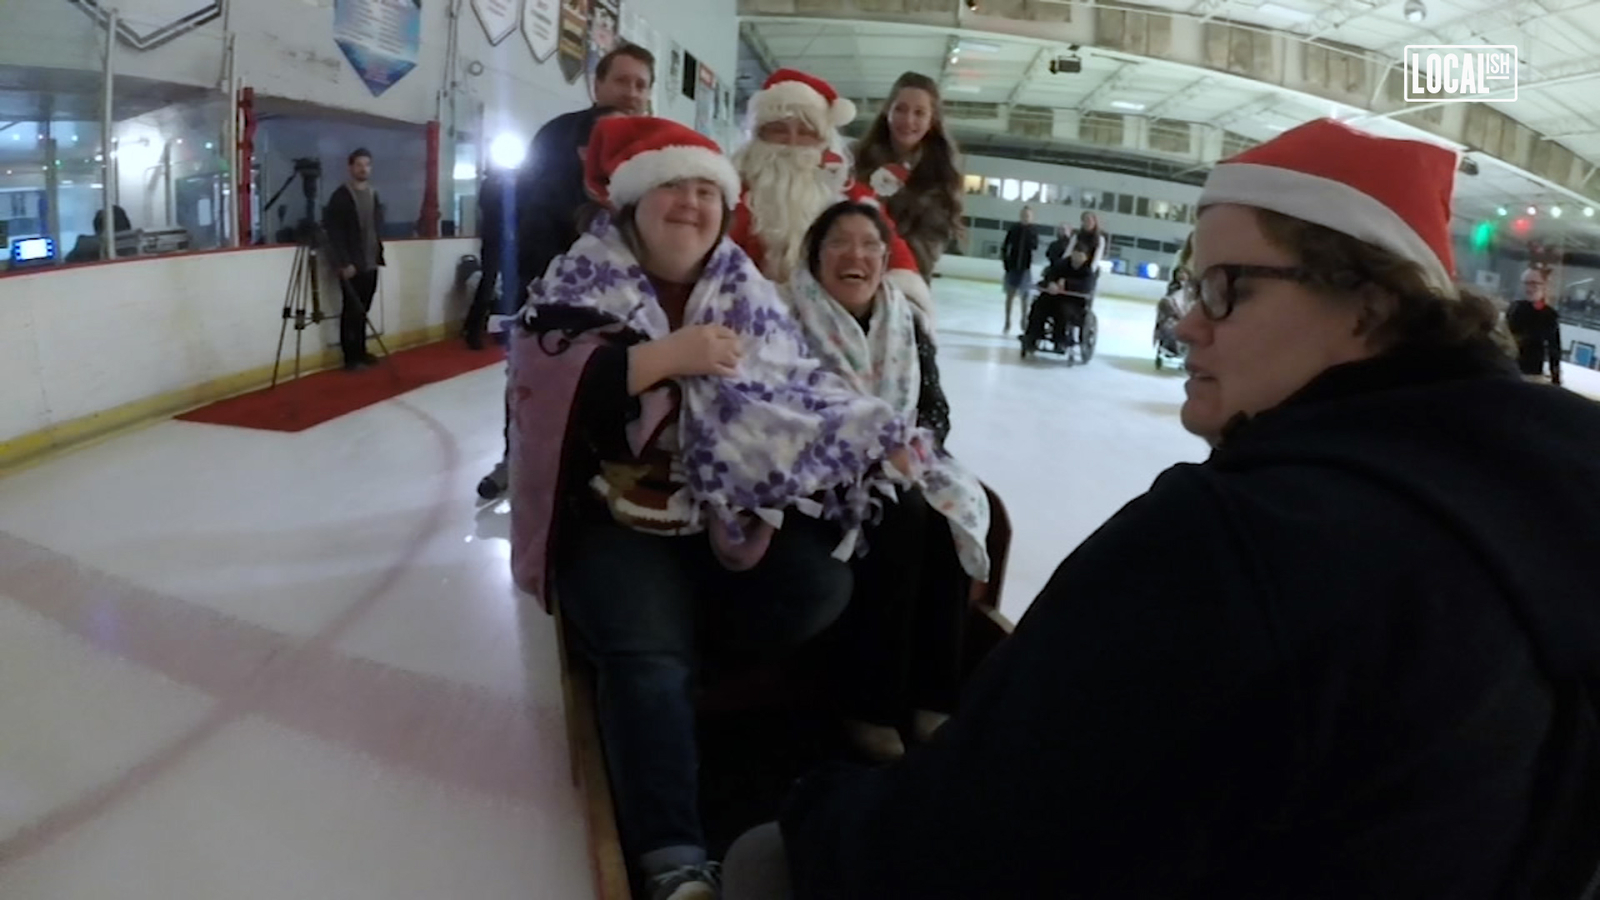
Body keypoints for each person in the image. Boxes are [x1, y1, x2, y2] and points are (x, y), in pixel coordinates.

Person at [722, 118, 1600, 900]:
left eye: (1227, 287)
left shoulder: (1238, 540)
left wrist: (816, 815)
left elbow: (966, 839)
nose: (1185, 324)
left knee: (763, 863)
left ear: (1369, 306)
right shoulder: (1551, 494)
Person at [506, 117, 922, 900]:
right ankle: (671, 855)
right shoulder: (577, 281)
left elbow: (799, 390)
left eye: (707, 191)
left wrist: (877, 433)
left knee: (821, 585)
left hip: (721, 514)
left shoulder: (748, 292)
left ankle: (670, 666)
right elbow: (544, 389)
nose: (691, 205)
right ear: (632, 202)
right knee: (646, 653)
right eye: (673, 187)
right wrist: (666, 358)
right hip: (619, 519)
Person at [785, 200, 991, 762]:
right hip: (813, 472)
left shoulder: (907, 320)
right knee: (902, 515)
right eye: (840, 244)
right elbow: (781, 406)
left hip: (903, 458)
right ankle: (869, 706)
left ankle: (932, 696)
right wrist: (865, 452)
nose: (857, 255)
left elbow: (934, 409)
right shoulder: (786, 316)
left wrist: (912, 447)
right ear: (816, 255)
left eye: (870, 245)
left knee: (952, 509)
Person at [474, 42, 653, 499]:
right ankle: (516, 459)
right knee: (529, 381)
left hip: (629, 299)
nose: (631, 92)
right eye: (622, 80)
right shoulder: (557, 136)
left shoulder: (656, 145)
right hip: (551, 286)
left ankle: (605, 469)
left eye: (641, 84)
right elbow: (531, 211)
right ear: (597, 84)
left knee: (614, 386)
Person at [729, 68, 932, 324]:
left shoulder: (853, 198)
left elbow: (897, 260)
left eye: (805, 131)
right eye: (778, 129)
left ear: (824, 141)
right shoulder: (729, 195)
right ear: (758, 135)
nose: (792, 142)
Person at [851, 71, 966, 283]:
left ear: (932, 120)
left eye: (919, 112)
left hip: (903, 288)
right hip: (848, 278)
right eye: (900, 109)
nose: (908, 120)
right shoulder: (857, 161)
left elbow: (925, 253)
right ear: (887, 110)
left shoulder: (941, 177)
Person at [322, 147, 385, 371]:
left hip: (370, 262)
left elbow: (376, 227)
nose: (363, 169)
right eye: (359, 165)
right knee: (351, 310)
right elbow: (334, 232)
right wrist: (343, 262)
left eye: (367, 165)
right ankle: (350, 358)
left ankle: (361, 350)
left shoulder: (373, 193)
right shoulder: (341, 196)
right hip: (351, 265)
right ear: (351, 168)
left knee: (363, 310)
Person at [1021, 246, 1095, 355]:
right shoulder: (1061, 265)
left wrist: (1066, 283)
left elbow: (1087, 286)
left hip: (1074, 301)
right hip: (1053, 297)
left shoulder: (1088, 272)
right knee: (1038, 305)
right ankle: (1032, 336)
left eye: (1080, 256)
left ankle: (1060, 339)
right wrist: (1051, 283)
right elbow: (1049, 275)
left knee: (1063, 311)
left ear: (1086, 258)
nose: (1077, 258)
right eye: (1075, 254)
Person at [1507, 265, 1563, 385]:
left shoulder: (1549, 314)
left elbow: (1554, 349)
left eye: (1533, 283)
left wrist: (1555, 377)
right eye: (1526, 283)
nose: (1529, 288)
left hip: (1532, 374)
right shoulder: (1514, 308)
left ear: (1544, 285)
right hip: (1509, 370)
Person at [999, 205, 1037, 334]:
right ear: (1020, 216)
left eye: (1028, 216)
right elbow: (1005, 246)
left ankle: (1023, 320)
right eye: (1024, 215)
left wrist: (1030, 232)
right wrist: (1006, 262)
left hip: (1025, 269)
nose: (1025, 218)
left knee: (1025, 297)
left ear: (1031, 217)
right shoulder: (1014, 229)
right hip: (1012, 267)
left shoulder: (1033, 230)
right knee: (1010, 296)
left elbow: (1035, 246)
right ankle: (1007, 321)